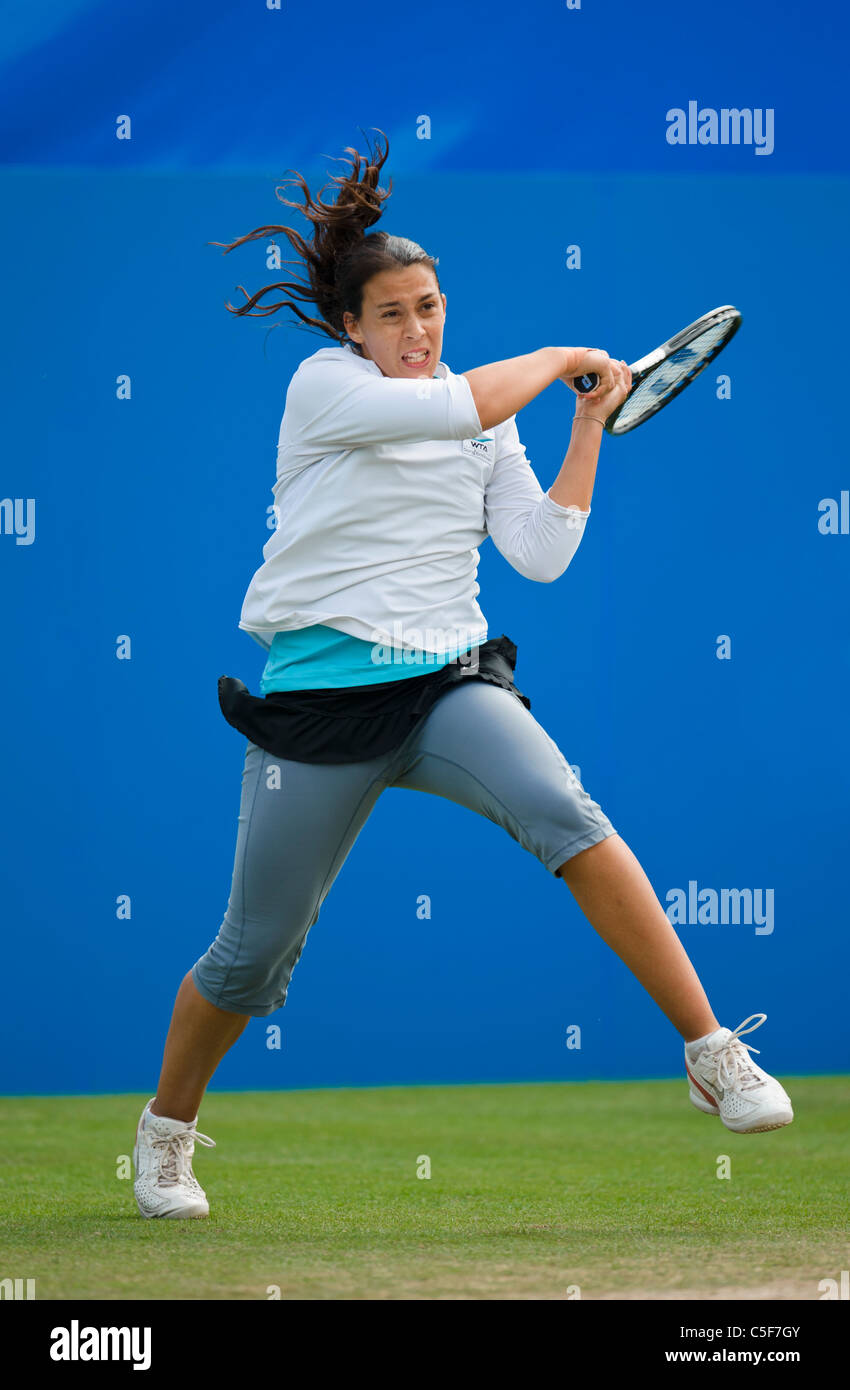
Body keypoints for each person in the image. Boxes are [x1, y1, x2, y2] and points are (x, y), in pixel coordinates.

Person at [133, 131, 792, 1220]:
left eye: (430, 306)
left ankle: (711, 1049)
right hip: (313, 711)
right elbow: (467, 404)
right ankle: (167, 1134)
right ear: (351, 325)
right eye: (391, 312)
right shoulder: (325, 387)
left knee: (565, 811)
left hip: (446, 686)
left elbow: (538, 550)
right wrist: (564, 355)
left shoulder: (485, 419)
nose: (416, 328)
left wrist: (585, 423)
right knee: (253, 957)